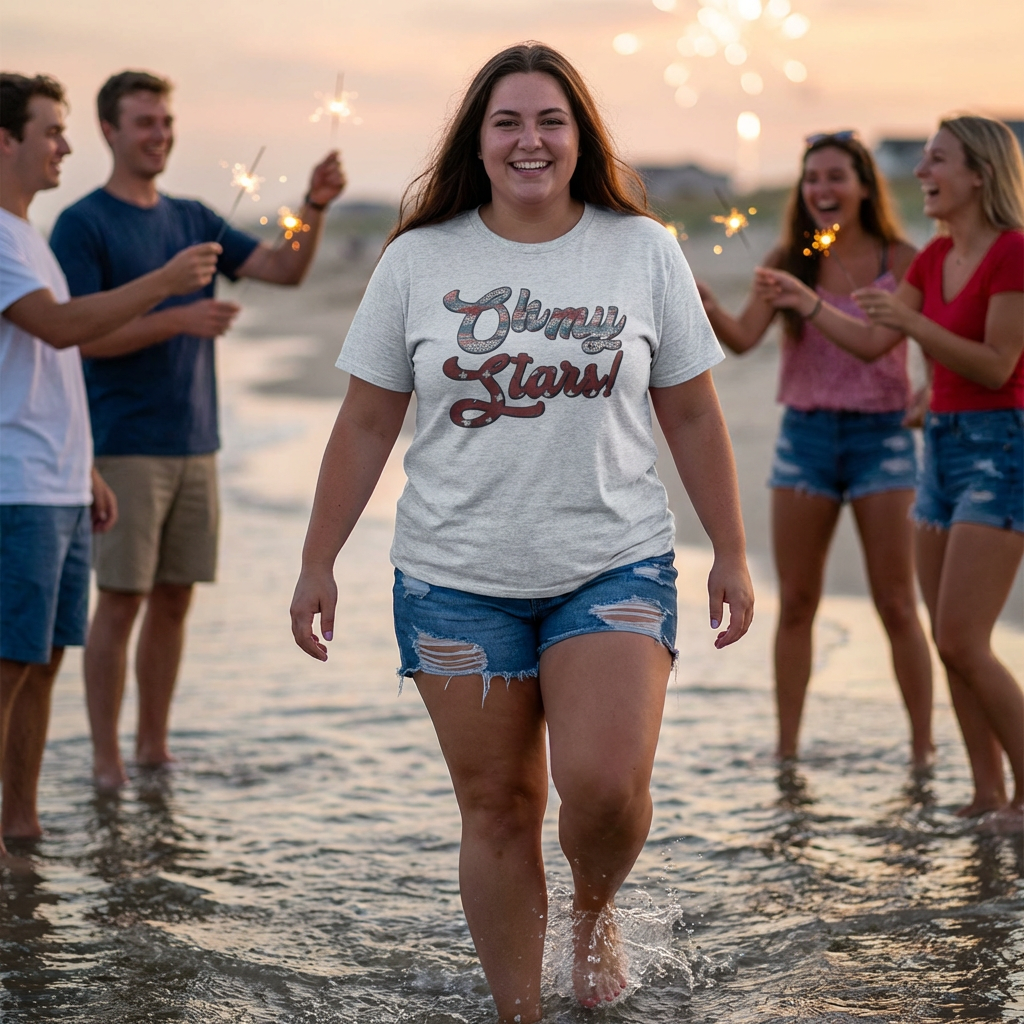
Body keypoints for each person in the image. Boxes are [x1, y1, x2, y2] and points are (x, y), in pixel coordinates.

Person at [290, 43, 753, 1020]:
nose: (529, 140)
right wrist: (316, 559)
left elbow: (696, 414)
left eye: (550, 120)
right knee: (498, 807)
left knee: (603, 789)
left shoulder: (642, 249)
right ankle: (518, 1011)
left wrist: (734, 551)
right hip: (453, 577)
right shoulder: (420, 259)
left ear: (579, 137)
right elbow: (368, 419)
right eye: (507, 122)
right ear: (479, 139)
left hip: (611, 560)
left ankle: (593, 911)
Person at [48, 70, 346, 791]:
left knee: (176, 596)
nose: (159, 134)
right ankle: (106, 761)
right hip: (121, 441)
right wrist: (179, 316)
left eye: (165, 121)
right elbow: (77, 337)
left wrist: (313, 204)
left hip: (198, 441)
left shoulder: (193, 215)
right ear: (109, 132)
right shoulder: (82, 223)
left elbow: (283, 269)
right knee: (121, 600)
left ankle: (154, 747)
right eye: (144, 122)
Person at [759, 115, 1024, 832]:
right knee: (949, 638)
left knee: (959, 636)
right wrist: (815, 305)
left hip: (998, 450)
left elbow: (999, 365)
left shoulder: (1012, 253)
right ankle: (987, 795)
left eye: (935, 160)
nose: (920, 172)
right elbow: (876, 340)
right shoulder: (935, 261)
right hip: (938, 445)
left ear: (978, 174)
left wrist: (915, 334)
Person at [0, 73, 220, 854]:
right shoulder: (3, 235)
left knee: (41, 664)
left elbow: (48, 370)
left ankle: (20, 831)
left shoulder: (27, 233)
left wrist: (85, 466)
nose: (63, 145)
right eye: (51, 131)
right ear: (5, 140)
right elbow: (62, 332)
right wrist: (165, 289)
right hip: (14, 487)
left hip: (58, 479)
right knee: (8, 667)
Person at [697, 132, 935, 769]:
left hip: (881, 439)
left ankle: (922, 751)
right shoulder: (792, 255)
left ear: (864, 186)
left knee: (895, 604)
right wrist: (712, 305)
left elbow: (885, 342)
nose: (822, 190)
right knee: (796, 602)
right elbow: (746, 339)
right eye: (811, 179)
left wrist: (930, 383)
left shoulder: (903, 257)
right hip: (803, 437)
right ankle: (787, 754)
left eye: (836, 177)